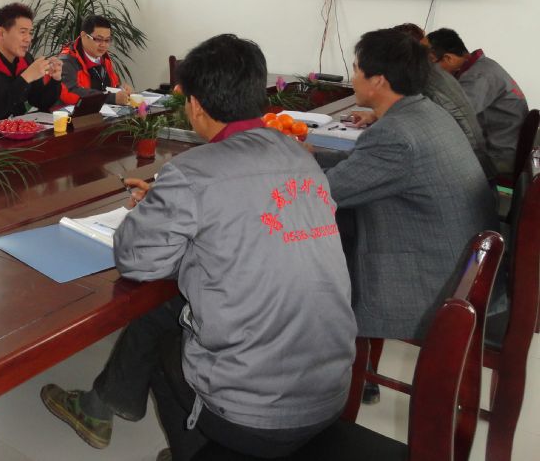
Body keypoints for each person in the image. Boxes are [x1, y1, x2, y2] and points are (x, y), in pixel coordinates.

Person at [41, 35, 356, 461]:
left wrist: (153, 208)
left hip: (254, 414)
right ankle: (105, 407)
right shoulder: (302, 158)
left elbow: (135, 261)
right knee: (173, 307)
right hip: (332, 390)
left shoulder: (192, 171)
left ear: (195, 106)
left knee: (162, 337)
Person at [319, 29, 496, 340]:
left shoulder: (395, 135)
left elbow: (326, 192)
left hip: (431, 282)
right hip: (459, 262)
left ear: (378, 80)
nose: (353, 77)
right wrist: (311, 153)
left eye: (357, 69)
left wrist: (282, 169)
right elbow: (361, 166)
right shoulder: (425, 111)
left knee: (312, 238)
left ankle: (327, 347)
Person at [348, 23, 495, 179]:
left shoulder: (425, 87)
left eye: (356, 70)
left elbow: (348, 180)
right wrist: (375, 115)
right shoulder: (432, 77)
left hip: (467, 170)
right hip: (472, 170)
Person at [425, 27, 529, 176]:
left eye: (429, 63)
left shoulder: (479, 76)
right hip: (498, 149)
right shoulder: (483, 67)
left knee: (426, 166)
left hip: (497, 157)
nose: (426, 70)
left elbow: (452, 117)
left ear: (448, 58)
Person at [58, 14, 134, 106]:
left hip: (102, 111)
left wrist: (120, 90)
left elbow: (112, 85)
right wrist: (110, 98)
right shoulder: (67, 60)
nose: (103, 45)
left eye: (107, 40)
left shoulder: (104, 58)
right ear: (84, 36)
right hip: (74, 113)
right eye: (98, 39)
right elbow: (70, 93)